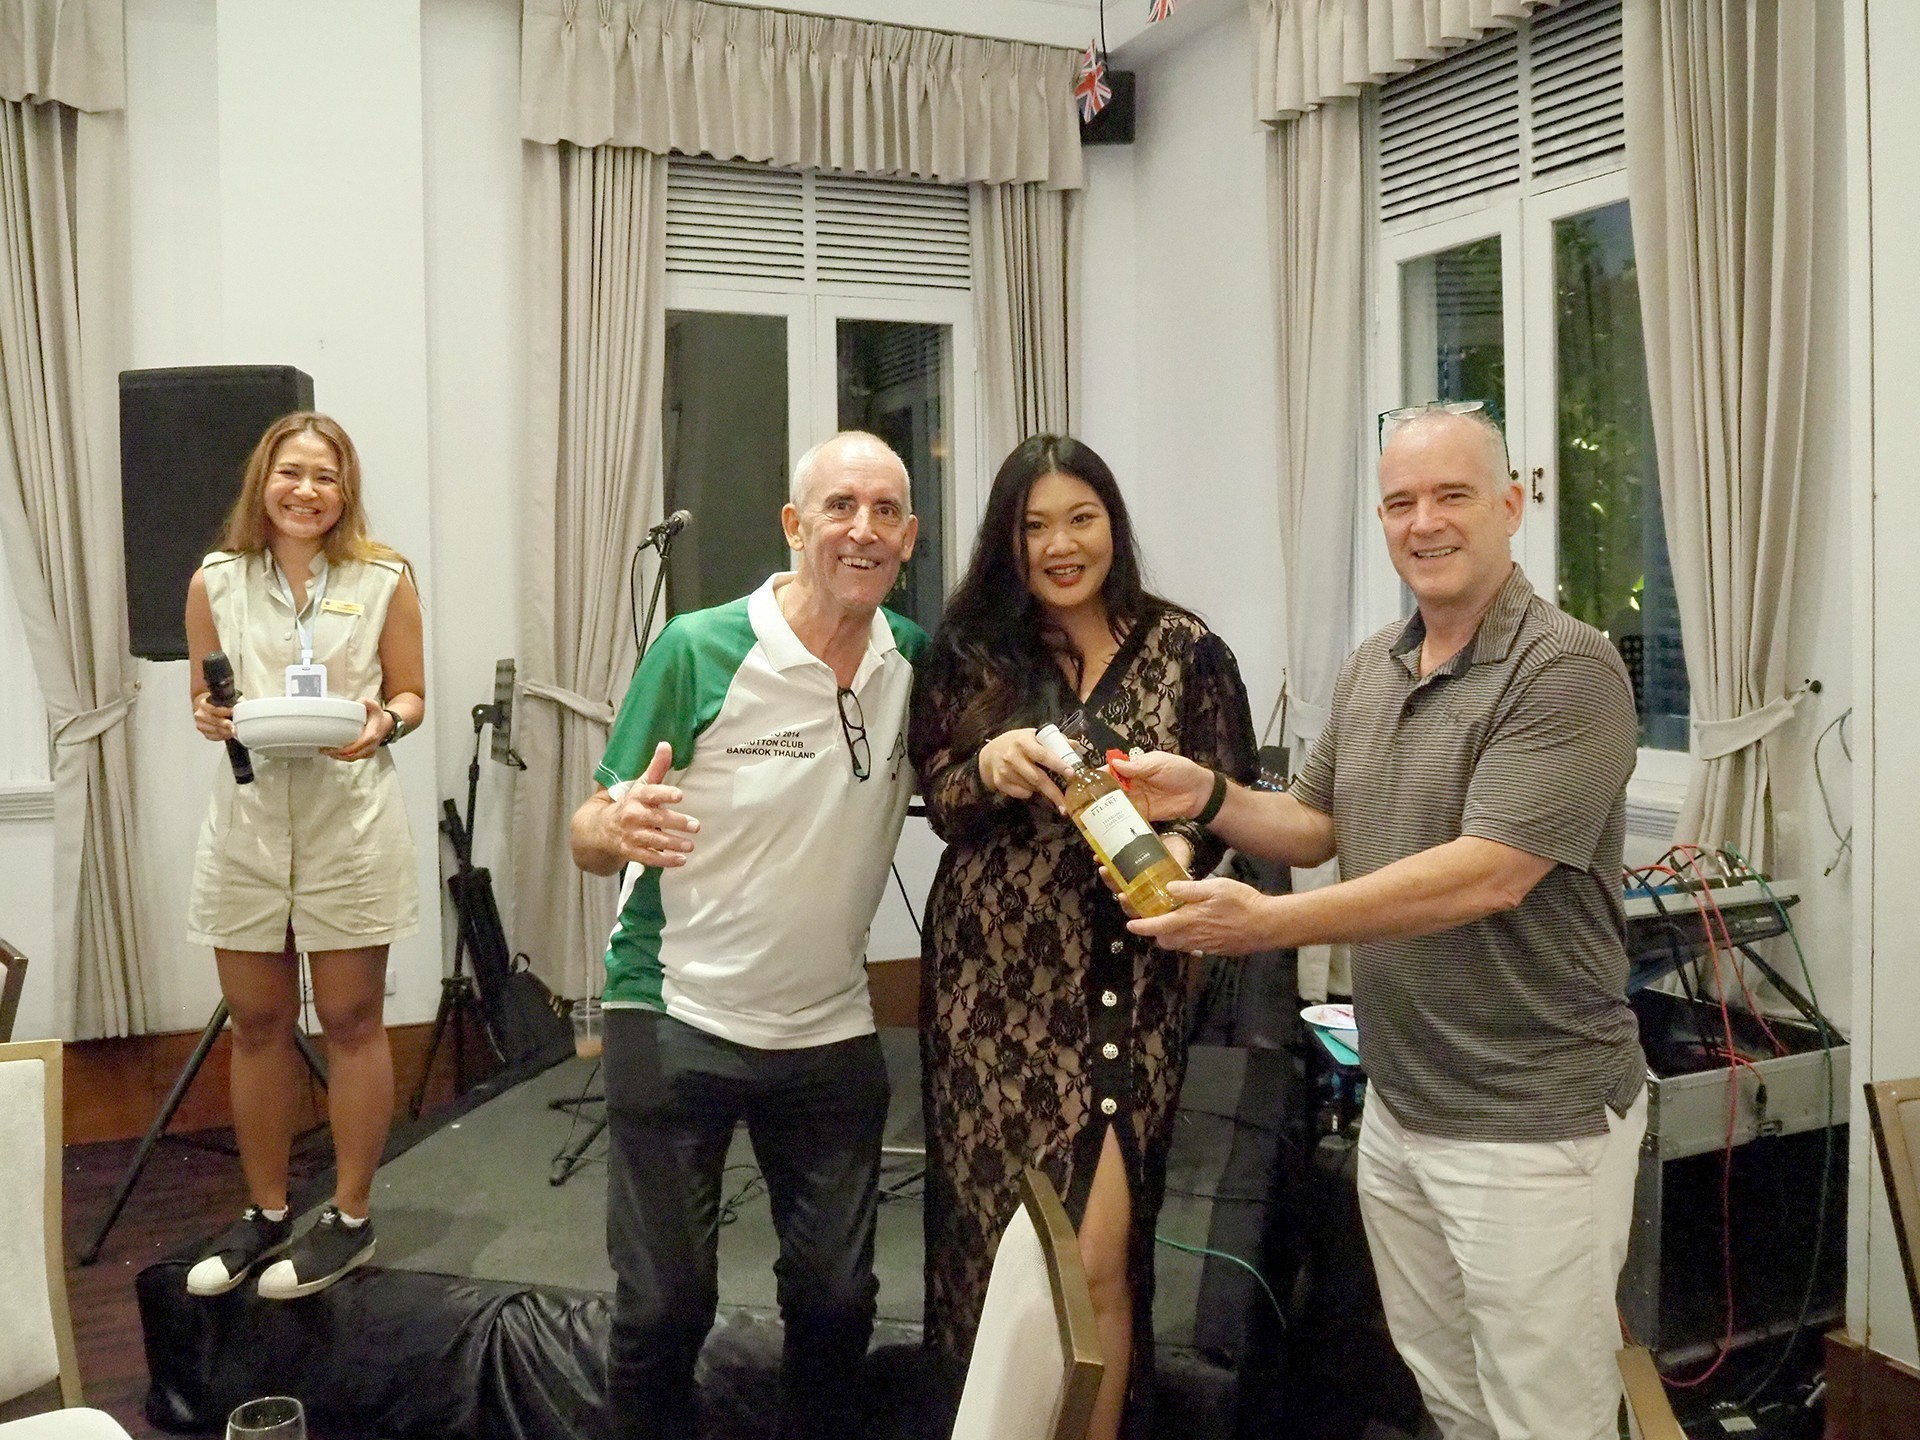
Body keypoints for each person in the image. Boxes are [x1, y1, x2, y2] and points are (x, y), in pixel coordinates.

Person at [1115, 404, 1646, 1440]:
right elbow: (1315, 822)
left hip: (1532, 1122)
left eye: (1452, 496)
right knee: (1450, 1399)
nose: (1424, 522)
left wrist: (1268, 924)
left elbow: (1488, 875)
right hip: (1403, 1106)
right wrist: (1207, 794)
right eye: (1401, 502)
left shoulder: (1567, 668)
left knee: (1550, 1417)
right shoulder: (1374, 665)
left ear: (1512, 505)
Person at [570, 431, 927, 1440]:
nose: (862, 529)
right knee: (664, 1308)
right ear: (794, 525)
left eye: (885, 511)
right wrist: (615, 827)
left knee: (837, 1303)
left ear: (909, 536)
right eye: (839, 506)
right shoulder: (699, 648)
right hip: (675, 1008)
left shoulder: (914, 661)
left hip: (828, 1029)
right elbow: (588, 828)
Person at [907, 434, 1257, 1440]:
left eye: (1081, 518)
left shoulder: (1187, 650)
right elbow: (939, 798)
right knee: (995, 1256)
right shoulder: (971, 649)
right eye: (1036, 526)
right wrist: (990, 766)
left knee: (1097, 1257)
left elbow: (1229, 797)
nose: (1062, 545)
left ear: (1113, 524)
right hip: (986, 992)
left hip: (1120, 981)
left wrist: (1181, 851)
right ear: (1007, 540)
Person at [182, 411, 425, 1300]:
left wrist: (384, 722)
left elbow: (411, 693)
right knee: (256, 1023)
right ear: (264, 479)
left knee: (352, 1020)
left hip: (347, 821)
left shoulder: (384, 576)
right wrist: (208, 714)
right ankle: (267, 1211)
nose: (306, 491)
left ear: (344, 491)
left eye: (326, 476)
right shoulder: (215, 579)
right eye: (292, 472)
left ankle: (351, 1219)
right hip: (249, 826)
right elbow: (205, 698)